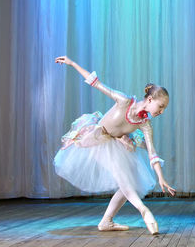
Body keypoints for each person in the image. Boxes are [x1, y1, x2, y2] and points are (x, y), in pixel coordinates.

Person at [53, 56, 175, 235]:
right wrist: (72, 63)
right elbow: (96, 83)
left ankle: (106, 221)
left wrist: (161, 177)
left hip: (116, 143)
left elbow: (152, 153)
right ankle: (145, 212)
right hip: (97, 140)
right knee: (125, 180)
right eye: (161, 106)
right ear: (150, 100)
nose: (162, 111)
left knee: (129, 183)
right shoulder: (124, 101)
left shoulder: (145, 124)